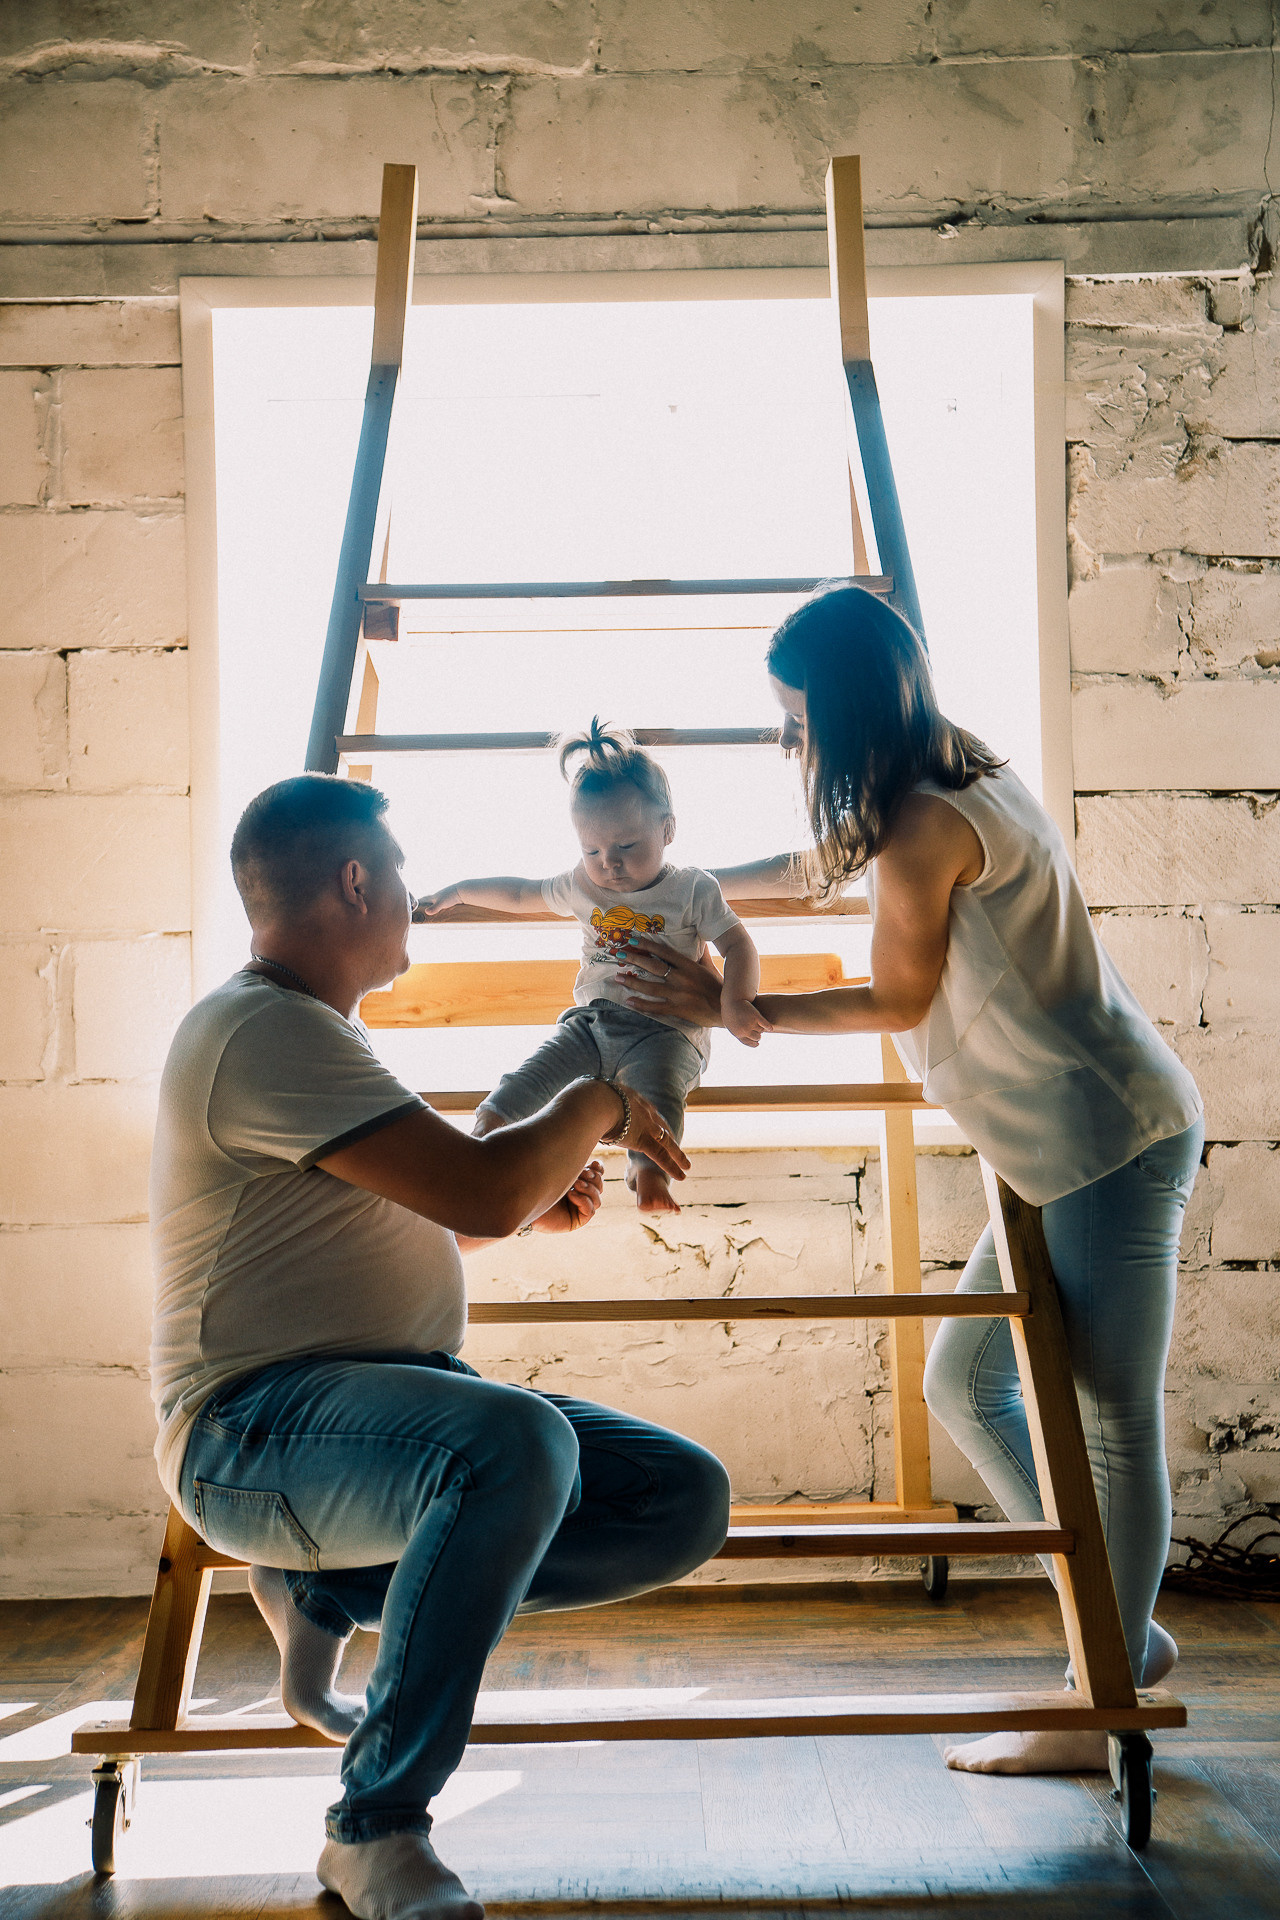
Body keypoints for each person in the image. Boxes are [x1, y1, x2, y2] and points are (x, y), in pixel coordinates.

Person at [615, 582, 1204, 1778]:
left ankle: (1100, 1696)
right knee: (966, 1381)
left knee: (1106, 1424)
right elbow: (813, 868)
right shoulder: (937, 779)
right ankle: (1118, 1638)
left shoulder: (930, 819)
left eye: (794, 721)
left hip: (1103, 1137)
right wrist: (669, 898)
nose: (790, 743)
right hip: (1049, 1142)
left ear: (841, 710)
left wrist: (732, 1006)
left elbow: (897, 996)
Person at [149, 773, 731, 1920]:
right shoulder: (258, 1028)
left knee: (675, 1499)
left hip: (374, 1410)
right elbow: (474, 1190)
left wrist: (523, 1200)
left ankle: (324, 1589)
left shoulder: (312, 1033)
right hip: (250, 1431)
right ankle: (374, 1829)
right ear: (355, 880)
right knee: (508, 1445)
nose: (412, 899)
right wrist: (603, 1103)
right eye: (403, 876)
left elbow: (441, 1208)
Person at [417, 718, 765, 1215]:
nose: (609, 863)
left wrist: (735, 1003)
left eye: (626, 847)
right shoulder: (583, 885)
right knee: (528, 1078)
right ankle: (486, 1134)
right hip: (591, 1024)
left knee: (659, 1091)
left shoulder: (692, 889)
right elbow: (520, 893)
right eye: (592, 849)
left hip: (667, 1032)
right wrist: (456, 891)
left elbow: (739, 946)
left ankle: (649, 1177)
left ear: (668, 829)